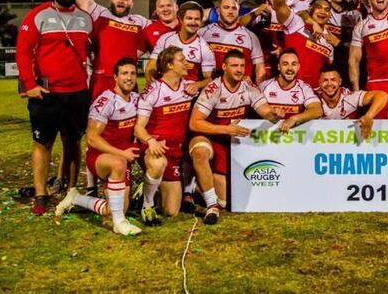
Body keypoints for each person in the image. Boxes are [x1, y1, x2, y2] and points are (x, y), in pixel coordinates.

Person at [16, 0, 93, 215]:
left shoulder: (85, 19)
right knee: (42, 143)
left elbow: (96, 50)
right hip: (47, 94)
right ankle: (41, 193)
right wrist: (29, 83)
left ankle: (71, 190)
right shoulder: (38, 15)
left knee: (73, 143)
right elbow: (23, 51)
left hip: (77, 93)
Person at [188, 49, 278, 224]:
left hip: (229, 141)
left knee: (227, 201)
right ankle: (211, 206)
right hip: (208, 135)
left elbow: (265, 111)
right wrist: (225, 130)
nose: (239, 70)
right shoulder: (213, 89)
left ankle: (196, 185)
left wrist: (274, 114)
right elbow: (195, 123)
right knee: (200, 152)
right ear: (224, 67)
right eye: (234, 66)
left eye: (242, 66)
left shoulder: (249, 88)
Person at [54, 57, 141, 235]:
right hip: (100, 157)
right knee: (118, 164)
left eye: (132, 73)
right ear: (115, 77)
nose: (129, 77)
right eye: (124, 73)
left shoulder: (137, 100)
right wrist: (121, 153)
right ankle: (119, 224)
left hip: (123, 158)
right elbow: (92, 138)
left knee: (114, 208)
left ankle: (76, 198)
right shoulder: (106, 101)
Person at [64, 0, 148, 100]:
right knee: (98, 121)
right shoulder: (100, 13)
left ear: (132, 4)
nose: (121, 1)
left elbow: (161, 33)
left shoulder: (140, 21)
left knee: (127, 122)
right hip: (102, 80)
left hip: (129, 81)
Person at [134, 47, 193, 223]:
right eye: (181, 60)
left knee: (171, 211)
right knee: (158, 162)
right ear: (169, 65)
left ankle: (149, 185)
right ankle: (147, 205)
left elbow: (209, 82)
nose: (186, 63)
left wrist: (199, 84)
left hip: (176, 153)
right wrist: (151, 141)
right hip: (155, 148)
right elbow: (139, 127)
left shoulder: (189, 87)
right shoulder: (153, 90)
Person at [273, 0, 339, 88]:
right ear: (310, 10)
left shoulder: (329, 42)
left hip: (316, 94)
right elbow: (279, 5)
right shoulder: (296, 23)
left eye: (326, 9)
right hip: (292, 89)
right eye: (318, 8)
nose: (322, 12)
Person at [146, 2, 215, 92]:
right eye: (189, 18)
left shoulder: (205, 48)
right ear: (181, 20)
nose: (193, 22)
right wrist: (150, 75)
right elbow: (152, 64)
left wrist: (197, 85)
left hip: (187, 96)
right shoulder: (166, 39)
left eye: (197, 19)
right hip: (163, 92)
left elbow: (209, 79)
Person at [199, 0, 267, 83]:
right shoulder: (203, 33)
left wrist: (258, 91)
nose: (230, 11)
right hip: (211, 90)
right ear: (218, 11)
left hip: (241, 93)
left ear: (238, 11)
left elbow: (260, 69)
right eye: (226, 8)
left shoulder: (251, 37)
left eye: (234, 8)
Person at [316, 64, 388, 138]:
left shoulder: (349, 97)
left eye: (333, 80)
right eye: (325, 80)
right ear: (320, 83)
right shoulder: (313, 97)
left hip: (347, 142)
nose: (329, 84)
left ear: (340, 82)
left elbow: (382, 96)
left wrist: (368, 116)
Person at [256, 50, 322, 126]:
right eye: (285, 64)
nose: (290, 68)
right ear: (279, 67)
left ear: (298, 67)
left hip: (296, 135)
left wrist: (294, 119)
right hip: (269, 134)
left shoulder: (304, 88)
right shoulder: (265, 86)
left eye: (293, 64)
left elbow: (317, 110)